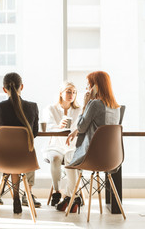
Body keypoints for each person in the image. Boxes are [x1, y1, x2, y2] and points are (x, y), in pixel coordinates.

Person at [57, 71, 121, 213]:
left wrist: (85, 104)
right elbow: (97, 127)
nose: (87, 89)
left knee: (68, 155)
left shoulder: (95, 104)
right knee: (71, 154)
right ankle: (71, 197)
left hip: (94, 157)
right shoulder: (116, 107)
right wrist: (77, 131)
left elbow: (81, 126)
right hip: (112, 158)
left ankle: (73, 196)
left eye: (88, 85)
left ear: (96, 87)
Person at [0, 72, 41, 214]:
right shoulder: (32, 107)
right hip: (25, 160)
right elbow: (34, 133)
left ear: (4, 89)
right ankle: (18, 196)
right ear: (22, 87)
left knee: (11, 158)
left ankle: (15, 196)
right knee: (24, 152)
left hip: (3, 159)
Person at [43, 82, 81, 207]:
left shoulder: (78, 110)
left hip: (72, 146)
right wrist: (59, 126)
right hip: (55, 145)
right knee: (55, 158)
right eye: (69, 91)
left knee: (73, 158)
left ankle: (74, 193)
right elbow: (48, 127)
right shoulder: (51, 109)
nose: (72, 95)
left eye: (74, 92)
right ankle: (57, 191)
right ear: (61, 93)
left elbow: (80, 128)